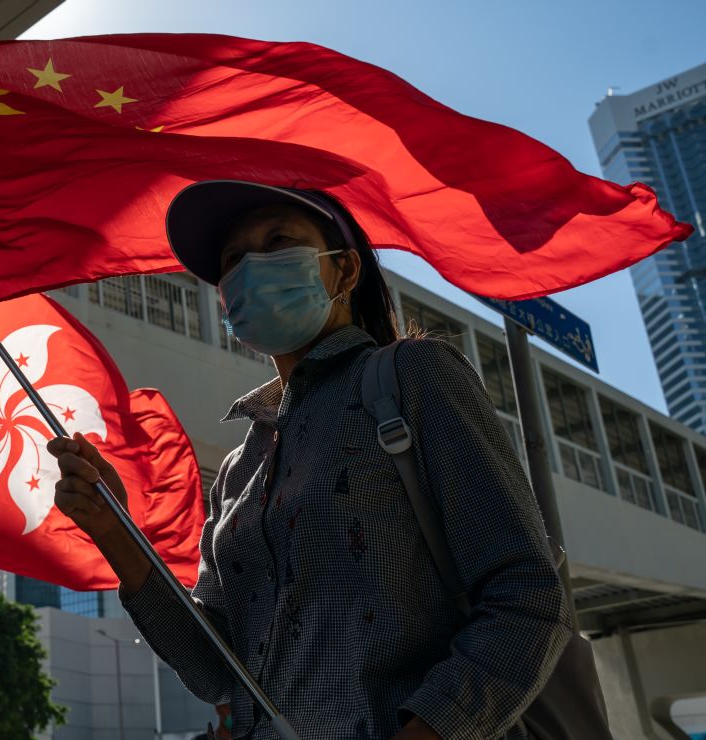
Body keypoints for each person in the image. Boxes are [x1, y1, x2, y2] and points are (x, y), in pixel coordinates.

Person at [48, 180, 573, 739]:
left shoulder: (414, 377)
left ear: (344, 272)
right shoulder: (238, 467)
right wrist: (114, 530)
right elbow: (215, 671)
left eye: (279, 243)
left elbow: (528, 596)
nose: (253, 267)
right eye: (234, 260)